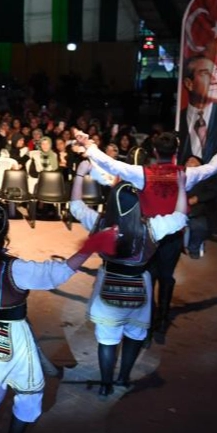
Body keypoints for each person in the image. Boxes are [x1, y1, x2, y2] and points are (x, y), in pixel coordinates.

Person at [0, 201, 115, 433]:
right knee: (30, 395)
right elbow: (57, 274)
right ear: (3, 232)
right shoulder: (15, 268)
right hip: (13, 336)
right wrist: (90, 247)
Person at [72, 129, 217, 346]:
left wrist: (89, 145)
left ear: (154, 151)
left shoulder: (142, 173)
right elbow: (212, 168)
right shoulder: (185, 174)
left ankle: (148, 326)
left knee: (149, 277)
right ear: (176, 152)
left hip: (148, 235)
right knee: (166, 277)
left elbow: (111, 165)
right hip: (172, 235)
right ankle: (161, 323)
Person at [70, 166, 188, 399]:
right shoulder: (151, 228)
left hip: (108, 286)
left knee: (107, 339)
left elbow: (76, 206)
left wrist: (80, 174)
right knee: (134, 335)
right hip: (139, 288)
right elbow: (180, 217)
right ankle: (123, 378)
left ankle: (105, 384)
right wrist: (181, 186)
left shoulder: (99, 222)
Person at [178, 54, 217, 165]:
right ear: (189, 84)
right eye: (205, 74)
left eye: (216, 72)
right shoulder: (177, 119)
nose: (215, 80)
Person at [183, 155, 217, 259]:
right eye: (188, 160)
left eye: (193, 160)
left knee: (200, 227)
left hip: (196, 211)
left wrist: (198, 198)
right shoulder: (180, 175)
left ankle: (194, 248)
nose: (189, 162)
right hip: (177, 211)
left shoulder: (206, 177)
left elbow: (214, 192)